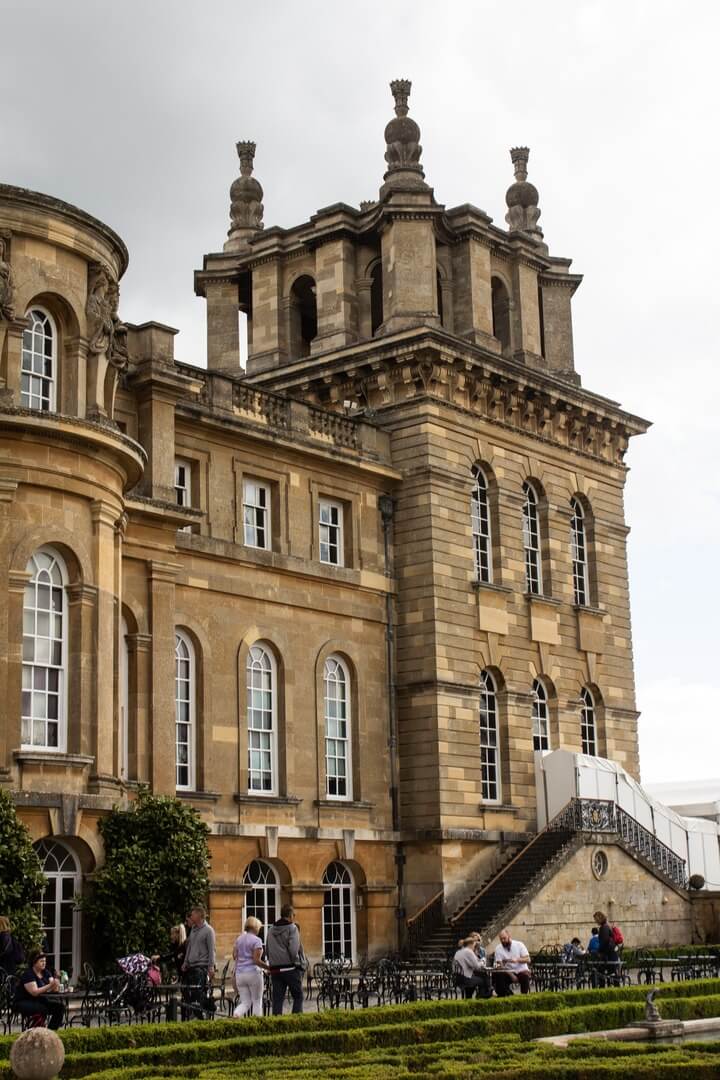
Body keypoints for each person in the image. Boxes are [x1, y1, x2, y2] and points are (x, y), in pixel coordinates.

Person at [265, 904, 305, 1015]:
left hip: (275, 969)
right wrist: (298, 963)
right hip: (290, 968)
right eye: (294, 915)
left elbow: (267, 949)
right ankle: (295, 1023)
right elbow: (293, 950)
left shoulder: (271, 929)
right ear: (291, 915)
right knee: (298, 996)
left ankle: (277, 1025)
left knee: (277, 1000)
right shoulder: (292, 928)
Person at [181, 906, 216, 1020]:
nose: (191, 916)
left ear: (199, 915)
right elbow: (189, 947)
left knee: (197, 992)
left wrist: (211, 967)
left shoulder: (209, 930)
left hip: (201, 966)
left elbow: (212, 950)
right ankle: (196, 1011)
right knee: (185, 990)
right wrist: (185, 962)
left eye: (193, 914)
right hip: (191, 966)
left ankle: (200, 1014)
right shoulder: (193, 930)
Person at [14, 951, 64, 1030]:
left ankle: (50, 1032)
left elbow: (53, 987)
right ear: (34, 962)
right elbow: (34, 992)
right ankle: (36, 1033)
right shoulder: (29, 974)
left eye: (45, 961)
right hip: (25, 1001)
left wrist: (56, 983)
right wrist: (50, 985)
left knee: (59, 1007)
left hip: (39, 1000)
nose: (44, 963)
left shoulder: (45, 972)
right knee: (42, 1009)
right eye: (41, 961)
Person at [232, 915, 269, 1018]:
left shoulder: (239, 939)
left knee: (245, 1002)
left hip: (240, 974)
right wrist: (268, 968)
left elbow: (235, 956)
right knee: (257, 1001)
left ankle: (236, 1014)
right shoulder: (257, 940)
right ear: (255, 927)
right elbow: (256, 961)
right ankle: (256, 1025)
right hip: (253, 973)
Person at [493, 929, 531, 995]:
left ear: (509, 936)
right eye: (501, 939)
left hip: (521, 970)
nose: (503, 941)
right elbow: (500, 965)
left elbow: (528, 959)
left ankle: (524, 997)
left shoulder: (519, 944)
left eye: (504, 938)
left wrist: (517, 960)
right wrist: (511, 975)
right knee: (498, 976)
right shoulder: (498, 948)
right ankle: (507, 995)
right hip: (508, 971)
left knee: (525, 976)